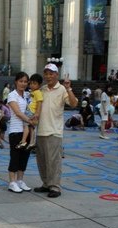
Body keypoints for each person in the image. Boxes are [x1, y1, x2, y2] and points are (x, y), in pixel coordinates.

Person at [34, 64, 78, 198]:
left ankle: (55, 187)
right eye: (46, 73)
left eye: (51, 73)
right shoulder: (42, 89)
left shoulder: (62, 90)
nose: (48, 76)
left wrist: (68, 88)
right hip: (40, 130)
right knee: (42, 160)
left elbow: (74, 103)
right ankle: (46, 183)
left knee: (54, 161)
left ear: (56, 75)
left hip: (54, 131)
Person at [6, 72, 33, 193]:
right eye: (21, 81)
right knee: (15, 156)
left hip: (27, 131)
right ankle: (12, 182)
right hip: (16, 130)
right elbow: (17, 112)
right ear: (16, 82)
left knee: (24, 157)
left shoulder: (28, 95)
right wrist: (29, 120)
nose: (23, 83)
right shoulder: (12, 95)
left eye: (25, 81)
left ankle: (20, 181)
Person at [16, 73, 43, 150]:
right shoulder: (32, 92)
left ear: (39, 85)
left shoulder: (38, 92)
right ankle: (32, 142)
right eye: (30, 83)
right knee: (31, 128)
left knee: (26, 125)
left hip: (31, 111)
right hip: (30, 111)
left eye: (34, 83)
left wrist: (37, 113)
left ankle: (23, 141)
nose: (32, 85)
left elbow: (40, 102)